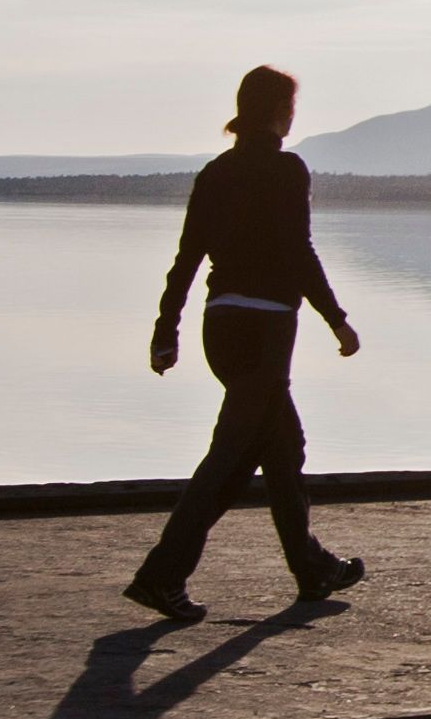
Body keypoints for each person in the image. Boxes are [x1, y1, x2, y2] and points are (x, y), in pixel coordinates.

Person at [125, 64, 367, 620]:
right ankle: (160, 576)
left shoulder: (215, 173)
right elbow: (299, 252)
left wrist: (167, 332)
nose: (293, 115)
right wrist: (338, 320)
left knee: (281, 447)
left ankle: (312, 572)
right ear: (280, 112)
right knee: (231, 457)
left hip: (221, 327)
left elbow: (186, 259)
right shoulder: (287, 169)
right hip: (266, 329)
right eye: (291, 106)